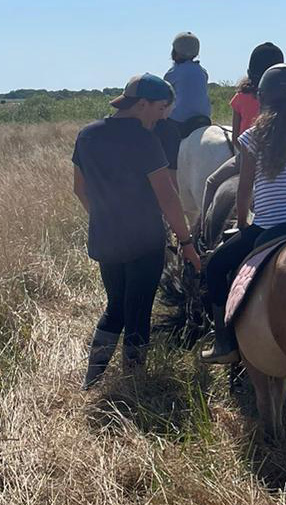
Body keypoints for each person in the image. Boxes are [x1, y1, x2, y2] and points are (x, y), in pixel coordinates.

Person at [72, 73, 202, 390]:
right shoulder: (144, 141)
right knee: (139, 310)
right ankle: (133, 382)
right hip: (144, 240)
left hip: (106, 239)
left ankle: (93, 380)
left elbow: (79, 189)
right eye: (159, 109)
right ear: (142, 104)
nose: (161, 118)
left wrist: (104, 217)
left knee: (115, 307)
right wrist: (186, 242)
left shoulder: (87, 135)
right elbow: (168, 197)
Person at [199, 63, 286, 364]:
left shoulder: (251, 137)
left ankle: (225, 344)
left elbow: (244, 190)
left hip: (269, 226)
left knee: (216, 267)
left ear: (263, 97)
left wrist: (243, 224)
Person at [196, 41, 285, 227]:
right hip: (279, 157)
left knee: (211, 183)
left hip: (246, 157)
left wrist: (247, 155)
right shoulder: (283, 98)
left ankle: (203, 233)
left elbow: (237, 136)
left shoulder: (241, 97)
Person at [160, 31, 213, 186]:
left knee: (161, 139)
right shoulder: (202, 72)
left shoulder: (172, 73)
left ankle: (169, 175)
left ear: (175, 51)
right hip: (203, 119)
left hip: (179, 121)